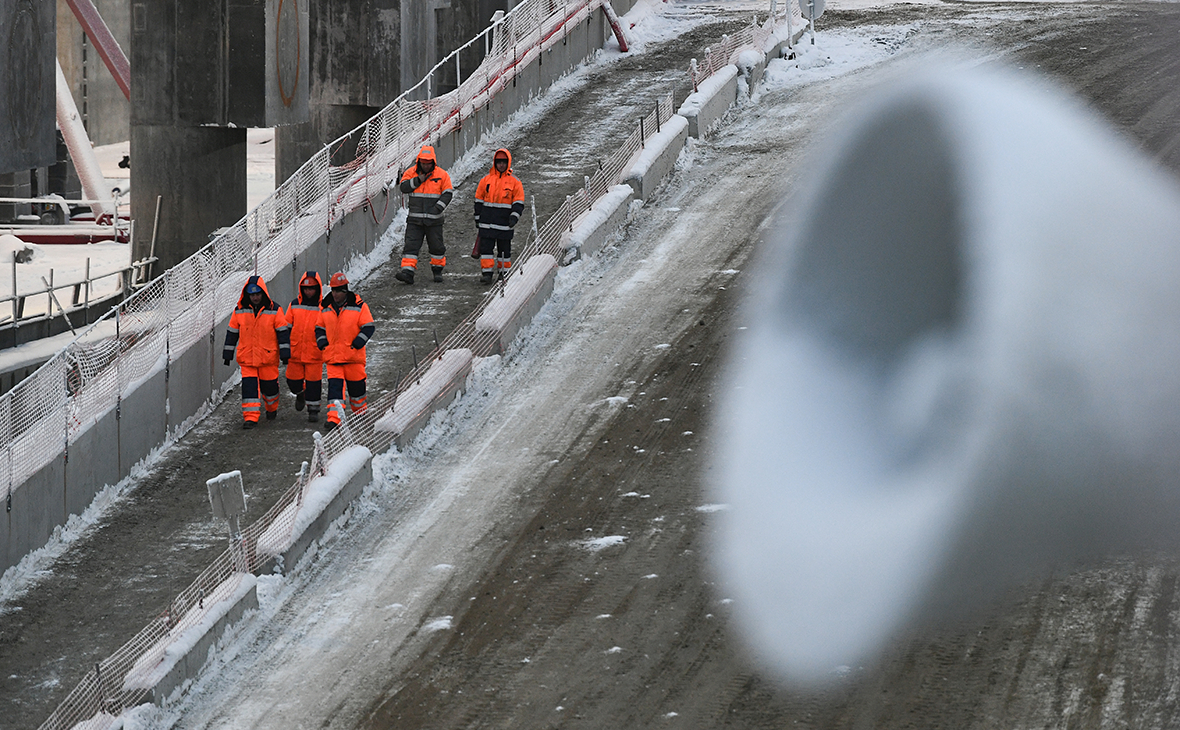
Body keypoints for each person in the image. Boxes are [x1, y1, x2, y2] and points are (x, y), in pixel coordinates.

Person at [223, 276, 290, 429]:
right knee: (249, 389)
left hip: (268, 358)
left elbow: (282, 333)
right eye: (252, 295)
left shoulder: (275, 310)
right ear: (247, 295)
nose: (255, 297)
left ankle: (271, 408)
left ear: (263, 293)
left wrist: (285, 353)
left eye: (258, 294)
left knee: (270, 389)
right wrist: (227, 354)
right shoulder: (239, 311)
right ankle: (250, 418)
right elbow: (232, 333)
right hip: (247, 359)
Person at [315, 272, 375, 431]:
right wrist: (322, 344)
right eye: (333, 290)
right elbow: (319, 328)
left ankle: (361, 414)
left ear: (345, 290)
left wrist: (357, 343)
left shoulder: (359, 305)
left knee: (357, 392)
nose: (335, 294)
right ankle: (334, 419)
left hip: (353, 358)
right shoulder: (325, 307)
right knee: (335, 390)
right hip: (333, 359)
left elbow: (368, 327)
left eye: (339, 291)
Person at [397, 145, 454, 284]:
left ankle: (437, 270)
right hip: (415, 220)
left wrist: (437, 209)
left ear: (433, 162)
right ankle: (407, 272)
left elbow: (448, 193)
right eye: (424, 163)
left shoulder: (442, 175)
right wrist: (418, 180)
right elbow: (403, 187)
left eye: (428, 164)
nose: (426, 166)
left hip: (434, 221)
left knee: (436, 246)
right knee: (410, 246)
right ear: (419, 162)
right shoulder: (411, 173)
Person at [474, 148, 525, 284]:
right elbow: (479, 200)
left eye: (503, 162)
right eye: (498, 162)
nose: (501, 164)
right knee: (486, 250)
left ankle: (504, 274)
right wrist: (477, 218)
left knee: (504, 251)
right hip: (487, 223)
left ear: (508, 163)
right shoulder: (486, 180)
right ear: (494, 163)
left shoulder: (515, 182)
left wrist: (514, 217)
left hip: (504, 224)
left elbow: (518, 202)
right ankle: (487, 274)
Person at [285, 271, 325, 423]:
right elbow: (286, 326)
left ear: (318, 288)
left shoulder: (323, 307)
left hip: (315, 353)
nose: (309, 291)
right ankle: (300, 394)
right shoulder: (294, 305)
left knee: (314, 384)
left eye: (312, 288)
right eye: (306, 288)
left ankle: (313, 410)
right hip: (295, 352)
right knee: (292, 381)